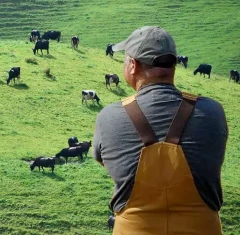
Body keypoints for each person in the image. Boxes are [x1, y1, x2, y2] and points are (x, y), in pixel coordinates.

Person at [93, 26, 227, 234]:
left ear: (133, 65)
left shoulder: (108, 116)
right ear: (173, 64)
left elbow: (104, 160)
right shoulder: (213, 111)